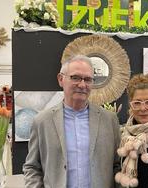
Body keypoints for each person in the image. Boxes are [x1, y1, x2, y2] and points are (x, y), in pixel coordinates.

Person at [23, 55, 121, 188]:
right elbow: (32, 167)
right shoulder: (42, 122)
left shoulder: (109, 120)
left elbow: (117, 165)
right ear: (61, 79)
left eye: (88, 79)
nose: (82, 85)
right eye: (75, 78)